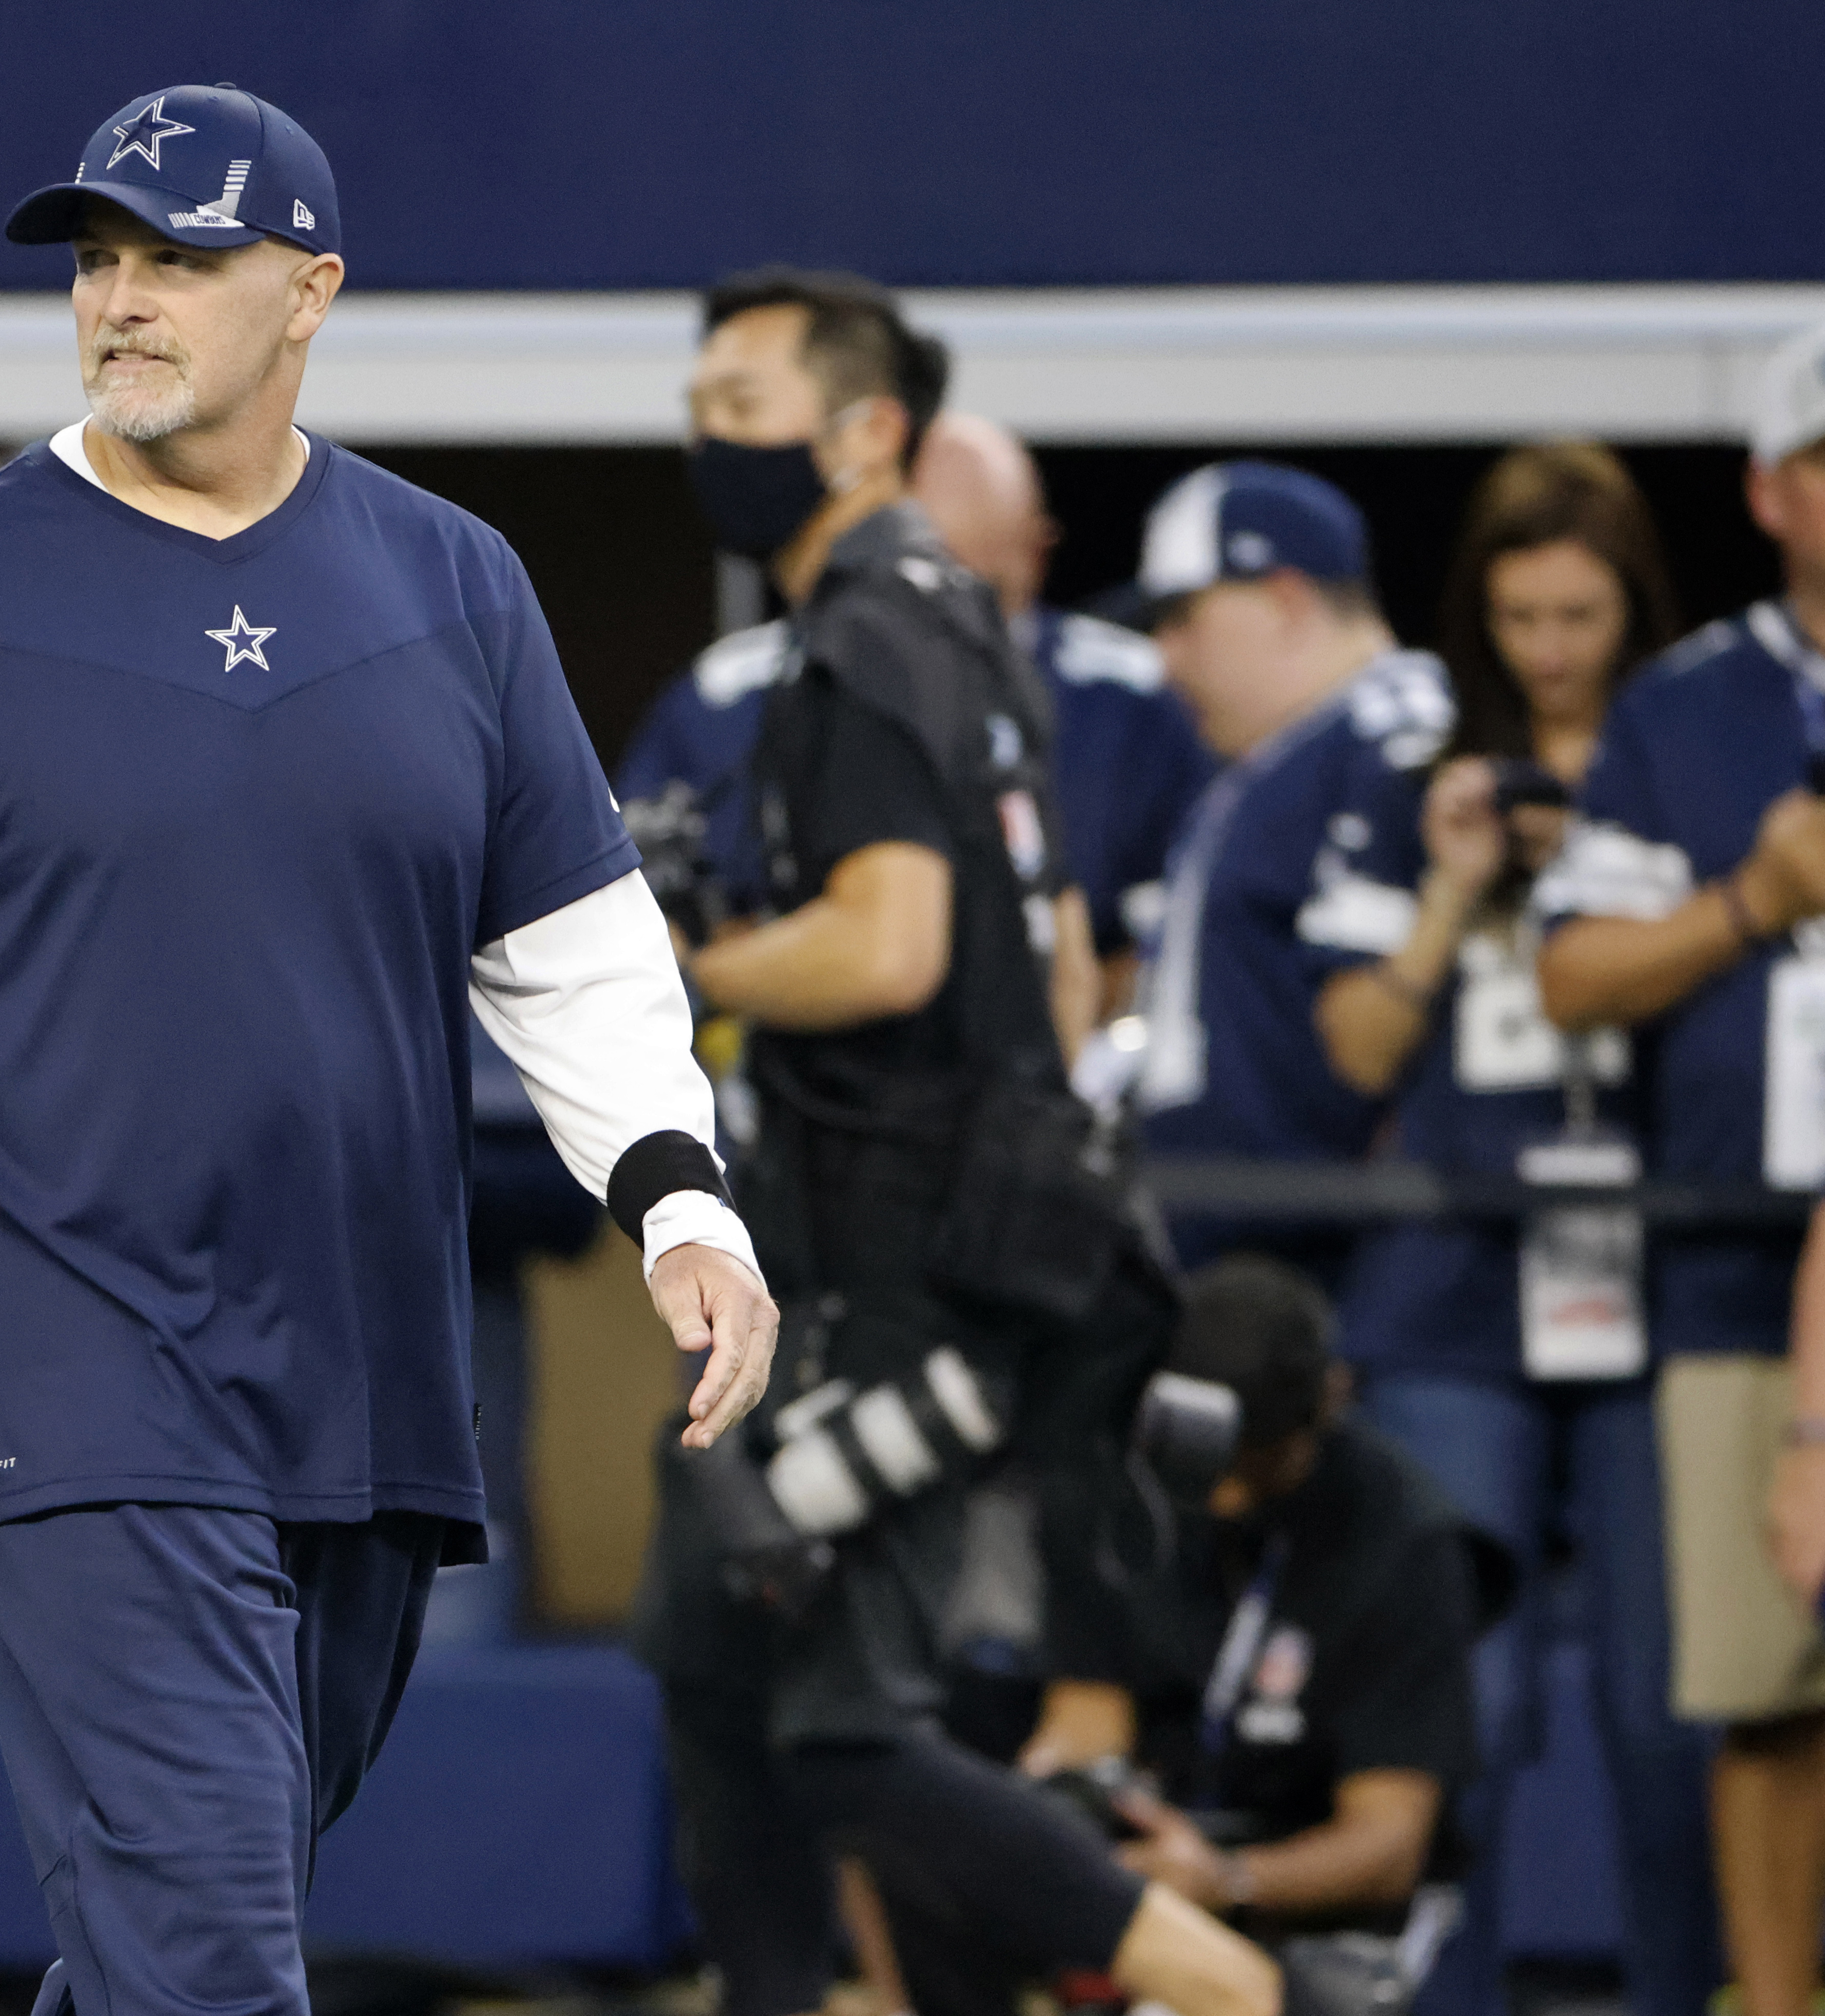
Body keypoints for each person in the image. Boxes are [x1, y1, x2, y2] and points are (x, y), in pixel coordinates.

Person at [0, 85, 777, 2016]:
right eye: (97, 261)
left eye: (177, 260)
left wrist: (686, 1207)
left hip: (362, 1373)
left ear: (309, 291)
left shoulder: (452, 583)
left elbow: (575, 951)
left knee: (183, 1932)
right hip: (81, 1374)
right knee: (207, 1956)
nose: (120, 299)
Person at [634, 267, 1275, 2016]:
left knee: (836, 1719)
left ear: (862, 431)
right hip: (940, 1223)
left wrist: (683, 961)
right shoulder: (964, 620)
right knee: (706, 1629)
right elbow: (1055, 943)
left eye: (743, 402)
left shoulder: (862, 633)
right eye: (699, 395)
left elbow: (887, 941)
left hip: (896, 1253)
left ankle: (1219, 1976)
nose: (707, 433)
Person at [1307, 443, 1718, 2016]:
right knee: (1450, 1711)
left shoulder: (1684, 757)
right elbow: (1351, 1047)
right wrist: (1454, 884)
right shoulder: (1416, 769)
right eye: (1518, 615)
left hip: (1659, 1272)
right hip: (1448, 1290)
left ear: (1631, 606)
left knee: (1659, 1714)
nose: (1549, 646)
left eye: (1578, 612)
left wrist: (1612, 898)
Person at [1539, 314, 1825, 2016]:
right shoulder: (1690, 709)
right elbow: (1570, 967)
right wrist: (1752, 898)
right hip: (1737, 1252)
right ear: (1771, 489)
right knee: (1763, 1679)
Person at [1020, 1259, 1499, 1981]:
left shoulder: (1407, 1540)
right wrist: (1069, 1810)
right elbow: (1086, 1721)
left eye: (1261, 1456)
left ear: (1331, 1401)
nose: (1230, 1493)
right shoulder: (1117, 1488)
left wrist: (1228, 1879)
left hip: (1307, 1894)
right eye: (1213, 1455)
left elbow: (1388, 1844)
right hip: (1152, 1856)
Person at [1128, 462, 1452, 1286]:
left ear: (1284, 598)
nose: (1166, 660)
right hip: (1246, 1247)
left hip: (1345, 1261)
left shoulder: (1395, 732)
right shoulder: (1283, 755)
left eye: (1182, 618)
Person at [911, 412, 1212, 1018]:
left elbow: (1189, 920)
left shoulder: (1138, 696)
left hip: (1076, 1051)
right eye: (929, 587)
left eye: (984, 590)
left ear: (1037, 549)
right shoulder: (783, 685)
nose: (959, 622)